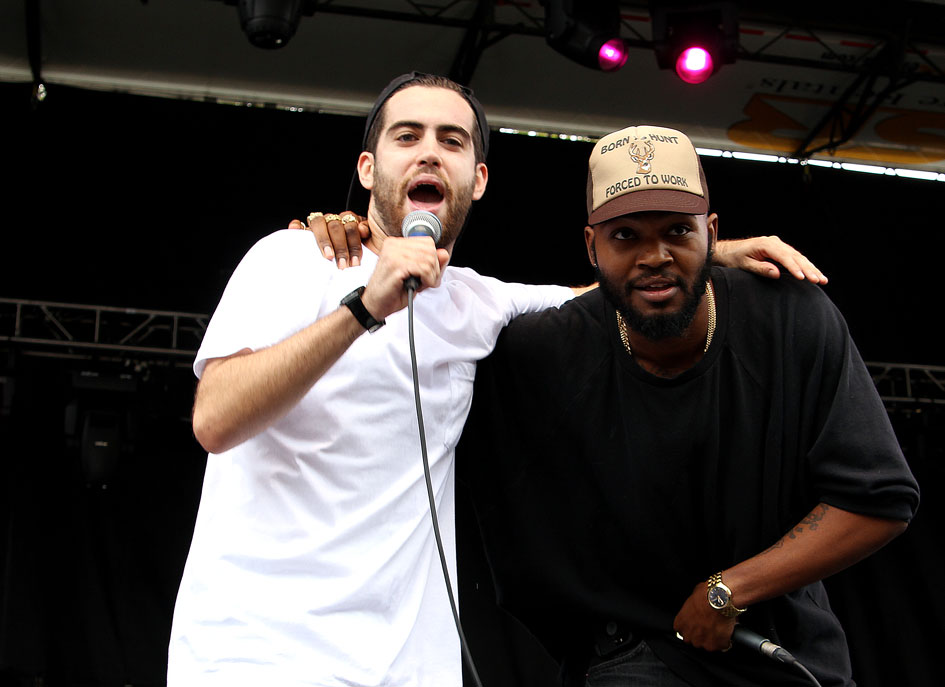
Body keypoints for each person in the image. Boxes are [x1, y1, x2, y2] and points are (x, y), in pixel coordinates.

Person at [173, 70, 828, 687]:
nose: (429, 153)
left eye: (451, 141)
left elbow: (594, 296)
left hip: (408, 664)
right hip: (259, 648)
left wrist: (706, 256)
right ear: (368, 169)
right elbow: (215, 418)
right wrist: (363, 307)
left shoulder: (478, 303)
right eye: (407, 136)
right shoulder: (293, 259)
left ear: (477, 178)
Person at [458, 124, 919, 686]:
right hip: (635, 654)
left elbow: (878, 499)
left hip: (780, 647)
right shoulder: (544, 349)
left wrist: (728, 592)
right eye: (625, 236)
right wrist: (343, 245)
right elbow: (419, 328)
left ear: (713, 230)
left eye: (678, 230)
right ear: (591, 247)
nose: (656, 256)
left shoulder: (790, 317)